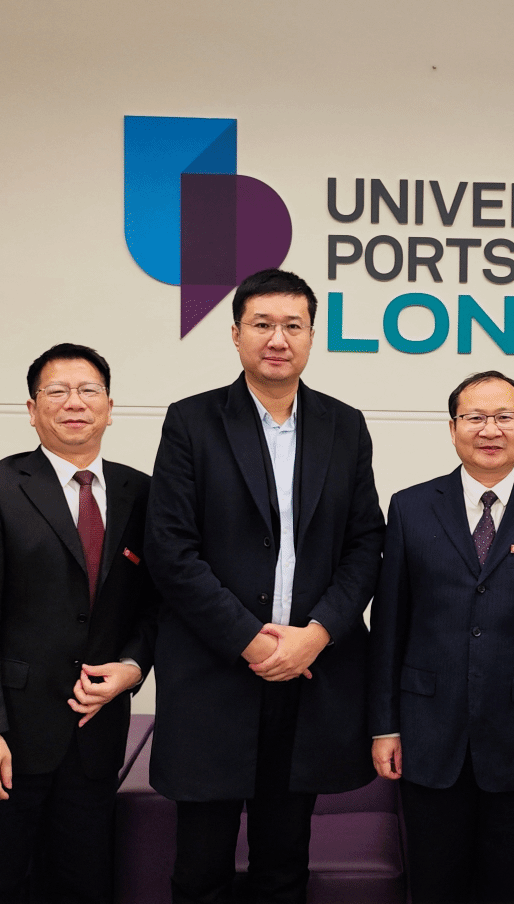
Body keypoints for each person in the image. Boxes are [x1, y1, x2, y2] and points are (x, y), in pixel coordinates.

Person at [144, 269, 386, 904]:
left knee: (284, 864)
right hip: (215, 673)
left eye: (293, 326)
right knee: (201, 868)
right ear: (235, 334)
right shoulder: (191, 421)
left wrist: (318, 634)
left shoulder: (344, 425)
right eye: (262, 324)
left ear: (311, 336)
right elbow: (171, 550)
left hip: (309, 677)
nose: (278, 339)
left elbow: (366, 543)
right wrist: (250, 641)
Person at [0, 343, 160, 903]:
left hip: (95, 736)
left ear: (109, 407)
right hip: (8, 737)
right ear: (32, 409)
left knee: (83, 886)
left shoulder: (143, 494)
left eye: (89, 390)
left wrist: (134, 668)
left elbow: (157, 605)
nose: (74, 403)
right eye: (56, 391)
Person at [368, 371, 514, 904]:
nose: (490, 430)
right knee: (433, 886)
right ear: (453, 428)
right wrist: (384, 726)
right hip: (427, 734)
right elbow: (389, 626)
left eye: (504, 417)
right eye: (475, 417)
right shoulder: (410, 508)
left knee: (512, 887)